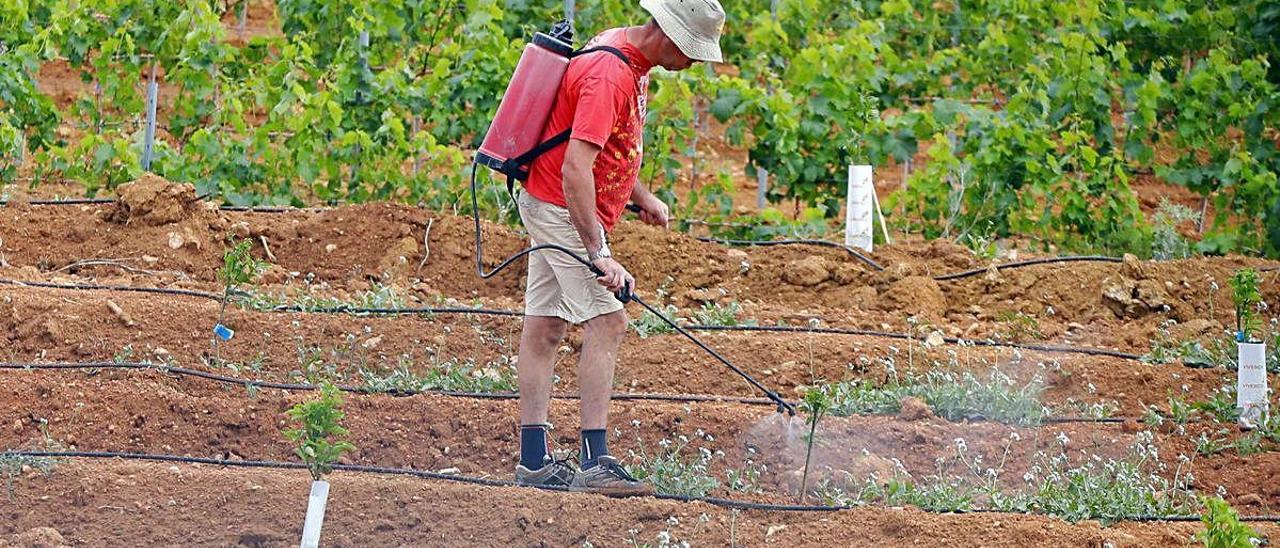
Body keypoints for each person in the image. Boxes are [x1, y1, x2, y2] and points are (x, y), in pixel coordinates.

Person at [512, 0, 726, 496]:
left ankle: (533, 463)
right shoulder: (611, 75)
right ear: (670, 37)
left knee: (545, 326)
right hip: (560, 208)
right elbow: (574, 169)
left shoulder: (628, 54)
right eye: (692, 52)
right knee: (609, 320)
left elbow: (609, 147)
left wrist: (643, 197)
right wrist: (598, 253)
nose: (693, 63)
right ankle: (594, 461)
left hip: (551, 202)